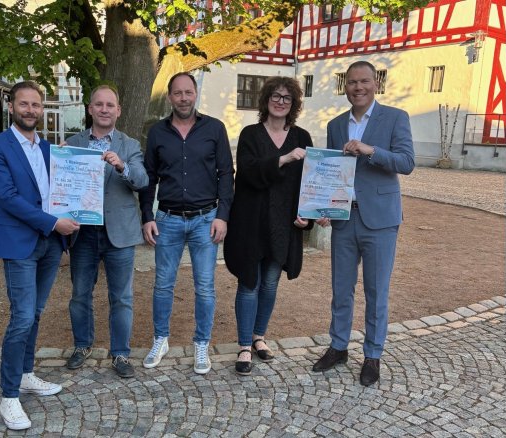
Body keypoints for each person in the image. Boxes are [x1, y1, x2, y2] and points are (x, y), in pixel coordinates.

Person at [0, 80, 81, 430]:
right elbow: (8, 198)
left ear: (42, 108)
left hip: (50, 245)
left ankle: (25, 374)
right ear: (11, 107)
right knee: (22, 317)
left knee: (35, 313)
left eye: (36, 105)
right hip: (21, 243)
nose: (30, 110)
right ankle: (9, 396)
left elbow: (66, 187)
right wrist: (54, 223)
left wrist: (75, 165)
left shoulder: (50, 149)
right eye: (23, 104)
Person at [311, 61, 415, 386]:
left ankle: (372, 354)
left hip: (380, 220)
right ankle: (338, 346)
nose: (358, 87)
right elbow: (332, 171)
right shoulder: (336, 124)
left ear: (375, 83)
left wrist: (370, 150)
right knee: (341, 289)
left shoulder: (395, 117)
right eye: (352, 82)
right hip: (345, 219)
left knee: (376, 291)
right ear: (346, 87)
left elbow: (407, 162)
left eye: (364, 81)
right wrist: (326, 207)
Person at [138, 72, 234, 375]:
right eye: (177, 93)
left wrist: (222, 215)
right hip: (167, 220)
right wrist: (147, 216)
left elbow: (226, 173)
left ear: (195, 94)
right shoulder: (157, 132)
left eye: (188, 92)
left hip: (205, 219)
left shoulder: (214, 129)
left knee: (205, 287)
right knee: (163, 284)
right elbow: (149, 177)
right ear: (170, 97)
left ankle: (201, 343)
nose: (183, 98)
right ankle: (161, 339)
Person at [223, 76, 319, 376]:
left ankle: (258, 337)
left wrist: (308, 215)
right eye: (275, 96)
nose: (280, 101)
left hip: (283, 224)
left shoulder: (302, 136)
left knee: (269, 283)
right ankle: (243, 345)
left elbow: (311, 183)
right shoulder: (251, 134)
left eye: (287, 98)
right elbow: (247, 172)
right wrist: (284, 158)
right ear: (266, 100)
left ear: (294, 104)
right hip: (251, 222)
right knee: (249, 283)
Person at [62, 85, 148, 378]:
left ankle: (120, 353)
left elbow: (142, 180)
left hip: (119, 233)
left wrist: (122, 166)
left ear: (118, 111)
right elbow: (60, 188)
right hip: (83, 232)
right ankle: (82, 345)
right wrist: (60, 163)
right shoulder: (73, 143)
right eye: (98, 104)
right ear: (90, 109)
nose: (104, 109)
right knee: (79, 294)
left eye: (110, 105)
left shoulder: (130, 145)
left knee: (121, 297)